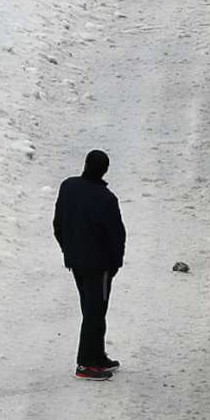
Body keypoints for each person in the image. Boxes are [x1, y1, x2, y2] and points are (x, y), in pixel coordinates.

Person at [53, 149, 127, 379]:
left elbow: (58, 223)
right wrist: (115, 264)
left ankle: (96, 355)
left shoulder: (68, 187)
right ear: (105, 170)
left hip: (76, 261)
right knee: (95, 312)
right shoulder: (106, 198)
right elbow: (116, 235)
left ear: (85, 164)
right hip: (99, 265)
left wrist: (68, 249)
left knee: (90, 309)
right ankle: (86, 363)